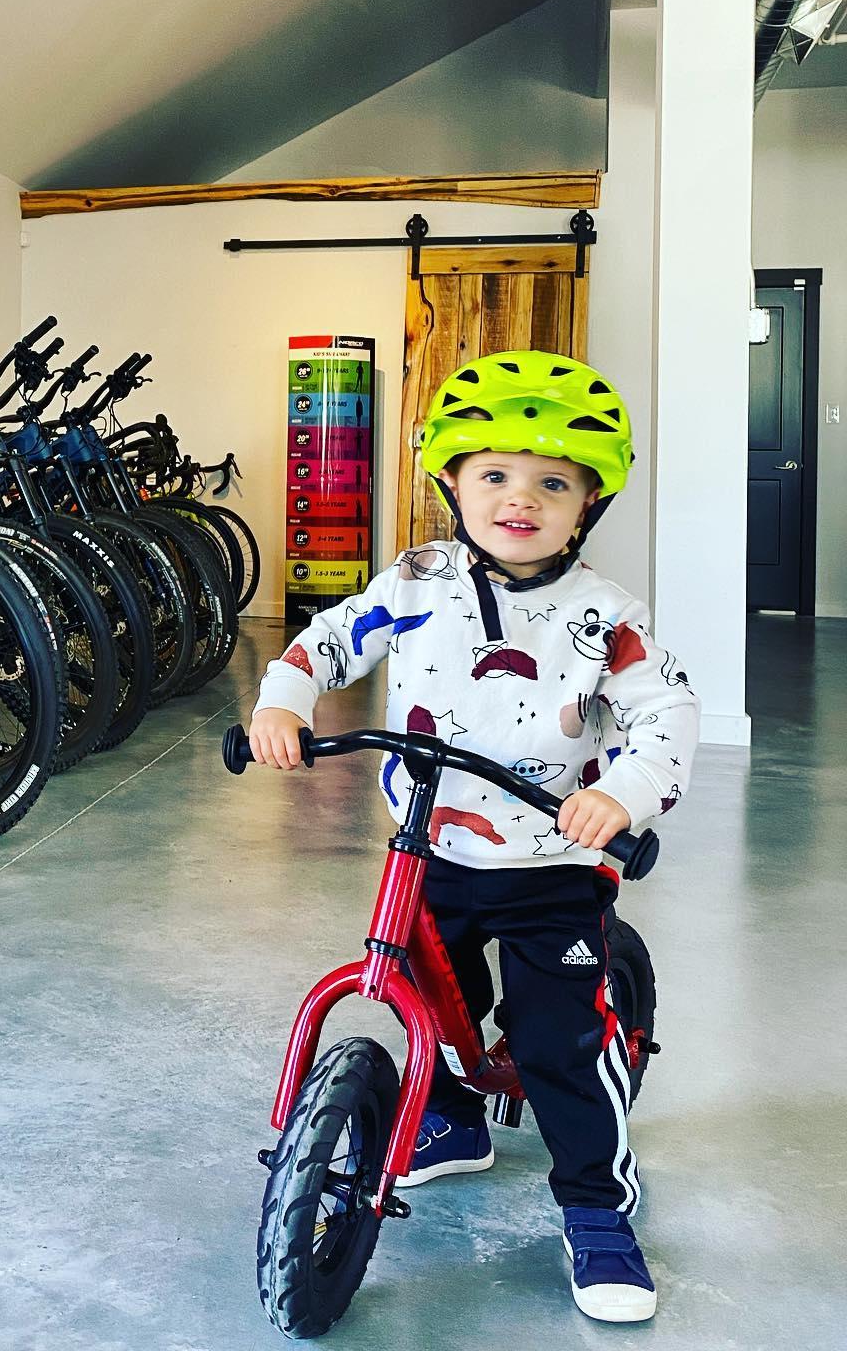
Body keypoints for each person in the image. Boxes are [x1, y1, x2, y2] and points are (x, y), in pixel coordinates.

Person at [250, 350, 699, 1325]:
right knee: (424, 989)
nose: (520, 498)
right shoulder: (416, 580)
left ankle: (597, 1211)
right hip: (429, 846)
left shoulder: (605, 615)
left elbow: (665, 713)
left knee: (559, 1047)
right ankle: (450, 1118)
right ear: (452, 482)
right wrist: (286, 697)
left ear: (589, 503)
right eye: (493, 474)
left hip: (552, 860)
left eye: (553, 482)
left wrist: (620, 794)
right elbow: (332, 639)